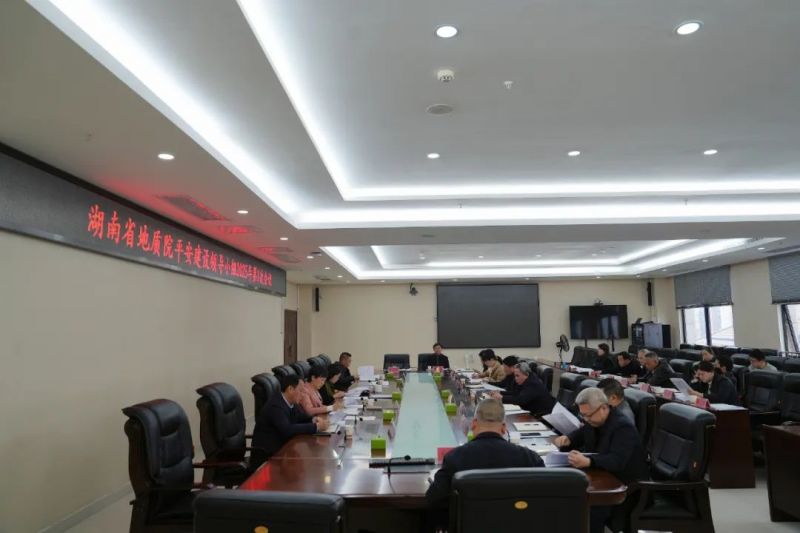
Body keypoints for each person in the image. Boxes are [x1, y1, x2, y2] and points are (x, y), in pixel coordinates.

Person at [554, 388, 648, 533]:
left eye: (588, 415)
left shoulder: (623, 426)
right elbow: (581, 434)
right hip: (603, 478)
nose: (586, 419)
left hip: (627, 488)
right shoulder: (594, 421)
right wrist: (568, 439)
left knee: (589, 507)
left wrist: (588, 461)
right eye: (582, 415)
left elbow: (617, 461)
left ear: (604, 408)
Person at [425, 398, 544, 512]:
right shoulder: (530, 458)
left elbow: (433, 500)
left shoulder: (454, 458)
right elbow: (544, 497)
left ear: (473, 424)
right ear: (504, 428)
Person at [252, 373, 328, 465]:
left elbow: (301, 417)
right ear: (290, 389)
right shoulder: (275, 406)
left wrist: (314, 420)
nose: (303, 395)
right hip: (269, 456)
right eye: (301, 391)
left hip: (283, 449)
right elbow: (287, 430)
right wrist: (316, 427)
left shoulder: (290, 402)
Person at [490, 362, 555, 416]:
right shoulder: (526, 380)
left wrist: (501, 398)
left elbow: (520, 400)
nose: (515, 379)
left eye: (517, 376)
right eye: (515, 375)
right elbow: (516, 393)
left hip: (541, 416)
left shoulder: (533, 384)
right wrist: (500, 392)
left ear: (526, 374)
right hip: (531, 412)